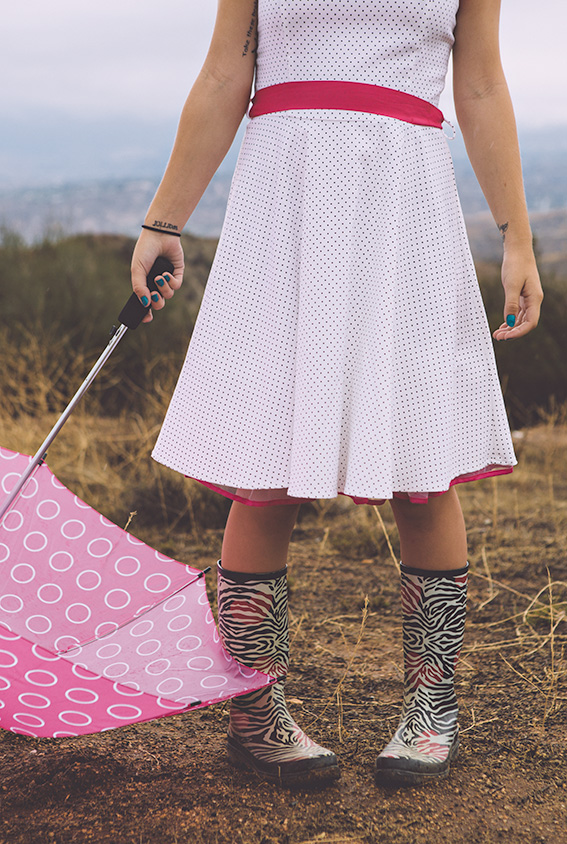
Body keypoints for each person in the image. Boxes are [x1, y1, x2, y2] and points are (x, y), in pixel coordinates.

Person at [130, 0, 543, 788]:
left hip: (406, 201)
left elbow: (481, 85)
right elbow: (226, 70)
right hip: (286, 198)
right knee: (265, 464)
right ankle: (253, 711)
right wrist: (165, 221)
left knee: (420, 463)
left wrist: (515, 236)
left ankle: (431, 708)